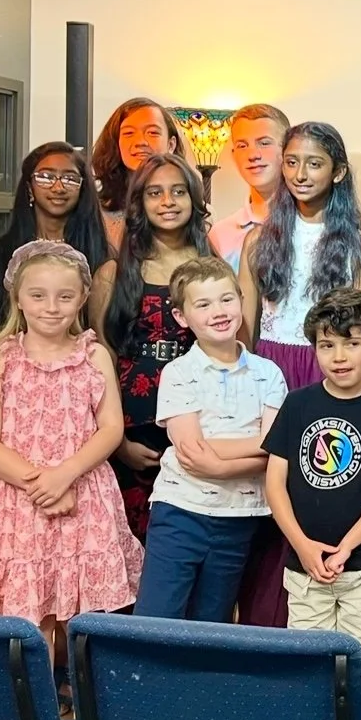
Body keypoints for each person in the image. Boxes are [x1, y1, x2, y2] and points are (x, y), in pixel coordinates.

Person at [0, 241, 143, 654]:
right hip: (20, 501)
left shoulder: (94, 356)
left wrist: (65, 475)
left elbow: (111, 428)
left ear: (82, 298)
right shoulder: (0, 360)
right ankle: (37, 686)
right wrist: (42, 484)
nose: (51, 307)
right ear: (19, 299)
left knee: (81, 612)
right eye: (38, 295)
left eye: (64, 296)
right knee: (31, 609)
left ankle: (78, 685)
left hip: (84, 492)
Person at [238, 121, 361, 626]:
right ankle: (265, 628)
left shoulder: (358, 246)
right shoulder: (259, 241)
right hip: (270, 368)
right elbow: (244, 325)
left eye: (314, 163)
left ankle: (317, 620)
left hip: (324, 371)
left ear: (337, 172)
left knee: (317, 488)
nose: (300, 173)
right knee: (266, 492)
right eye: (292, 162)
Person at [264, 287, 361, 720]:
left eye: (351, 343)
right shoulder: (298, 404)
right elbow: (274, 483)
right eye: (327, 345)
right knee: (312, 670)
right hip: (305, 567)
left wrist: (346, 546)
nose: (339, 356)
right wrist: (303, 545)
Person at [135, 256, 288, 622]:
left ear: (241, 300)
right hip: (181, 511)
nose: (218, 312)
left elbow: (276, 453)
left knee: (212, 623)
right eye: (203, 304)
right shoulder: (178, 372)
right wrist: (262, 445)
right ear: (181, 317)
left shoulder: (268, 374)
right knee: (155, 620)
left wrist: (219, 459)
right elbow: (192, 452)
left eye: (226, 299)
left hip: (240, 516)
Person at [92, 150, 212, 540]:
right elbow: (102, 361)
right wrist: (118, 443)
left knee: (189, 542)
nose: (167, 201)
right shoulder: (113, 273)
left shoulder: (213, 270)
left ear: (193, 198)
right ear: (139, 203)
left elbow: (229, 353)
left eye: (178, 191)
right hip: (131, 427)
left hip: (199, 425)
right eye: (155, 193)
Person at [0, 142, 109, 328]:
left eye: (70, 179)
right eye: (46, 177)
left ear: (82, 189)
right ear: (29, 187)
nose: (58, 187)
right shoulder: (2, 253)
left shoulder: (100, 254)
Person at [91, 96, 187, 251]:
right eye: (129, 133)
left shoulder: (195, 211)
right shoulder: (96, 211)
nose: (140, 142)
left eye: (152, 132)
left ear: (171, 144)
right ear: (116, 143)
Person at [209, 103, 289, 268]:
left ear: (287, 149)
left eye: (264, 143)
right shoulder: (220, 235)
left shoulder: (311, 223)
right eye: (242, 146)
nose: (253, 155)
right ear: (234, 156)